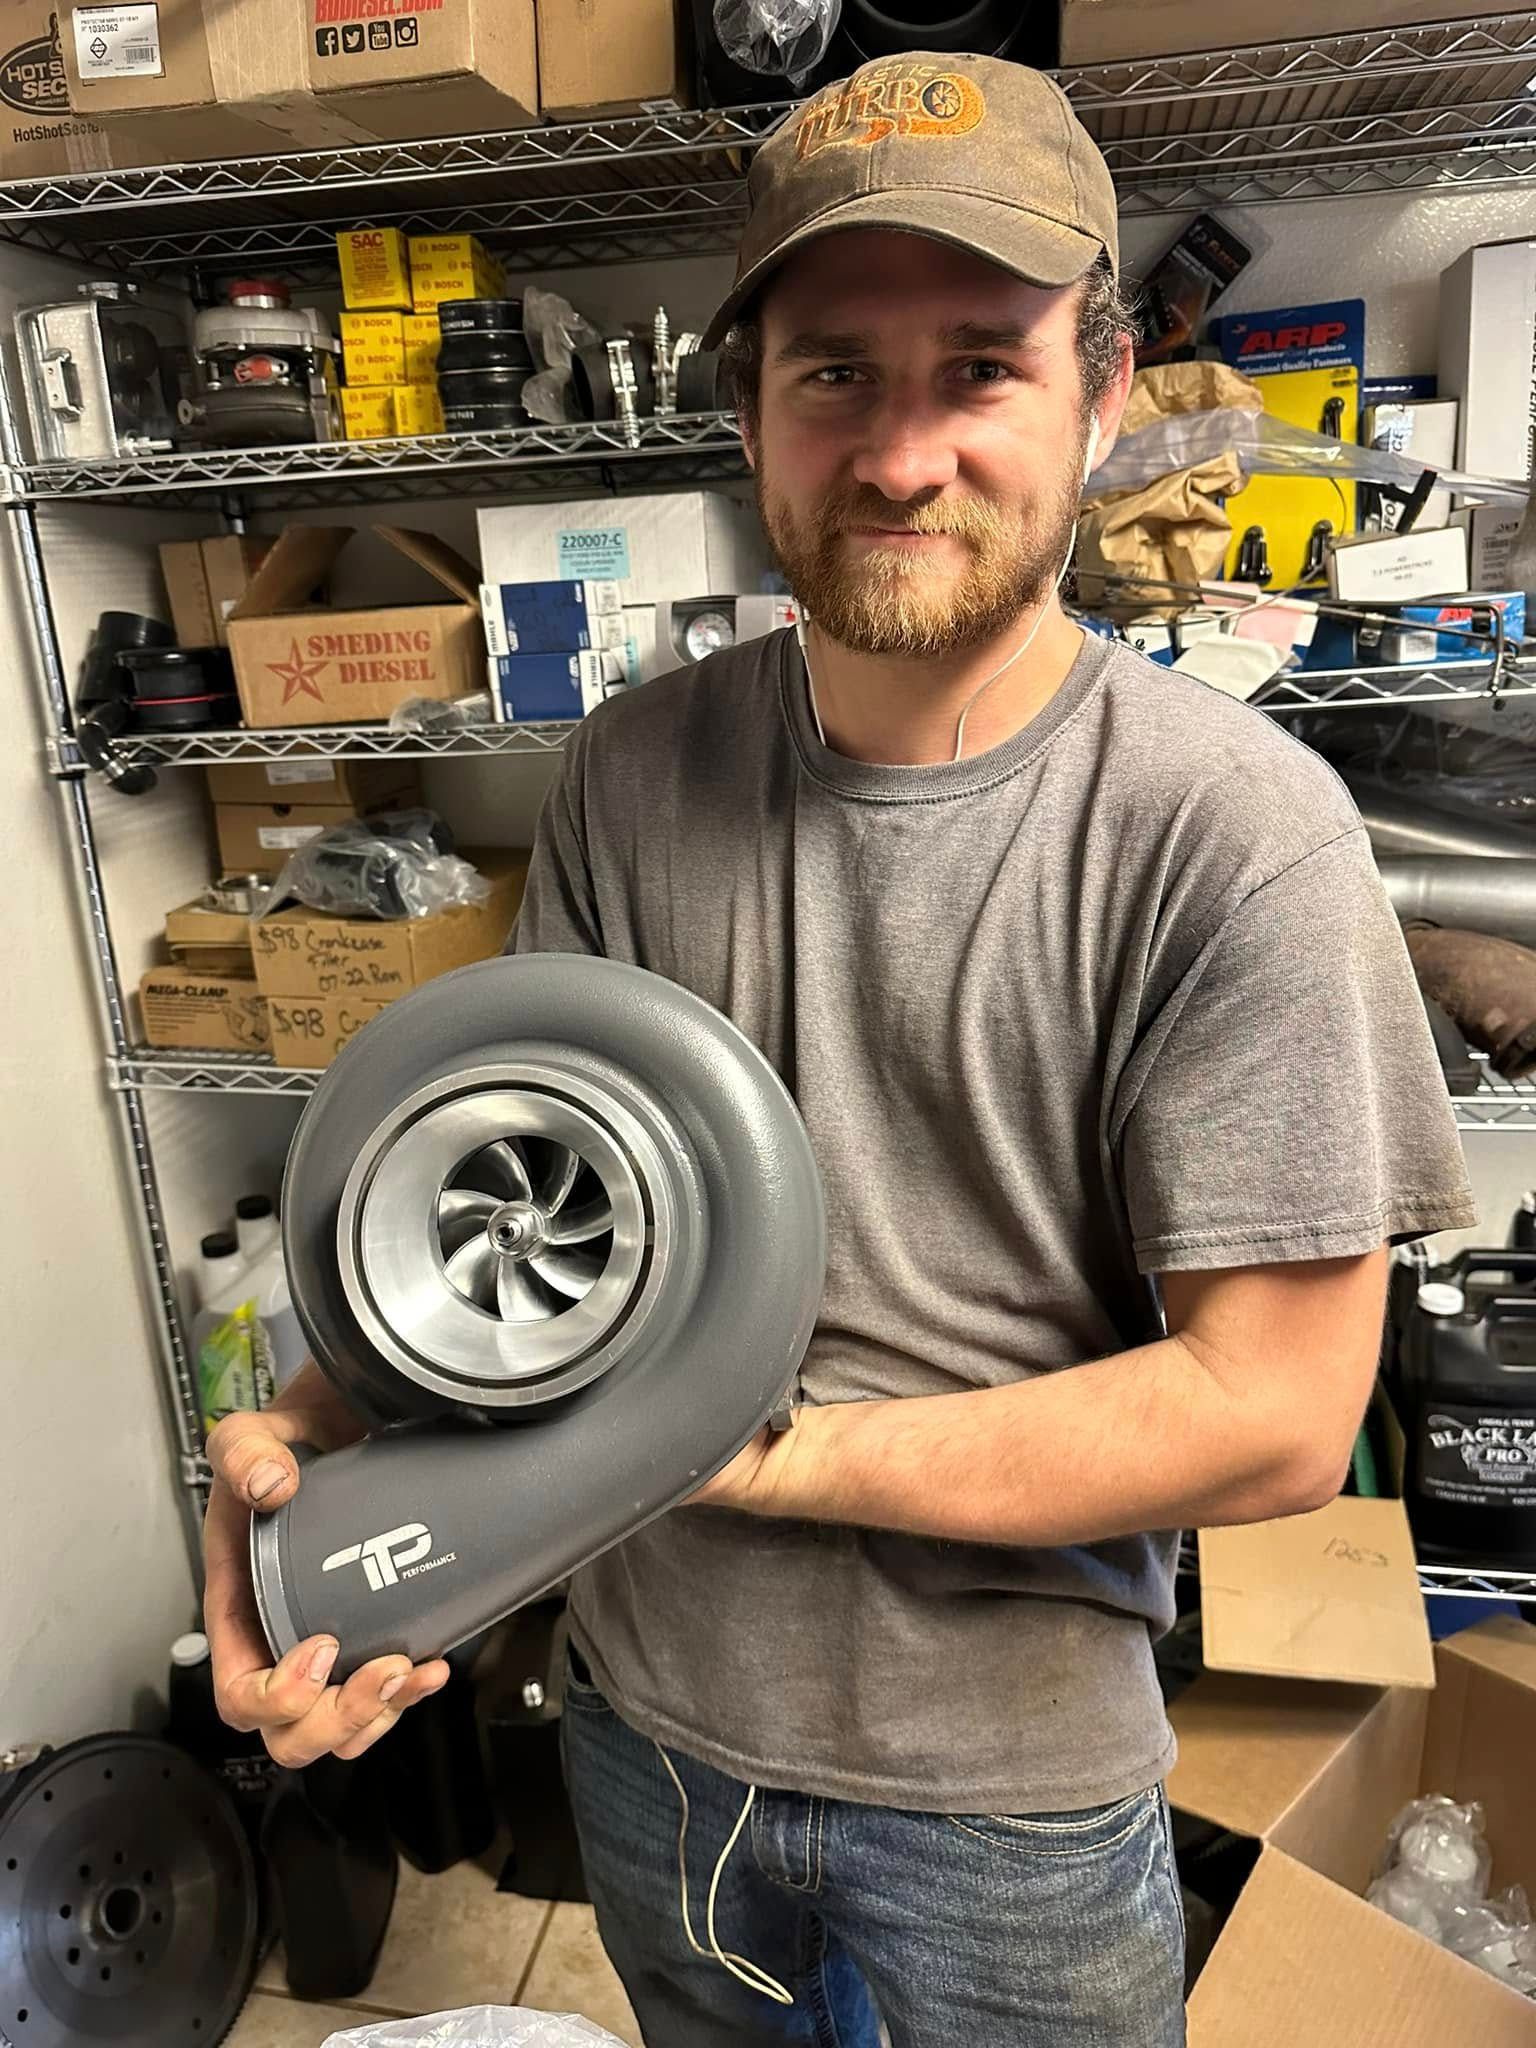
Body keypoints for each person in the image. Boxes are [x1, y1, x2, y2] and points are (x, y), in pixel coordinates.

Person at [203, 50, 1476, 2048]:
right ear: (749, 413)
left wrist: (758, 1456)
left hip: (1009, 1811)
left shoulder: (1235, 835)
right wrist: (303, 1456)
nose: (898, 456)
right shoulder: (631, 773)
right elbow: (511, 1222)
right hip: (645, 1736)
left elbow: (1274, 1414)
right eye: (834, 375)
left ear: (1102, 395)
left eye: (979, 367)